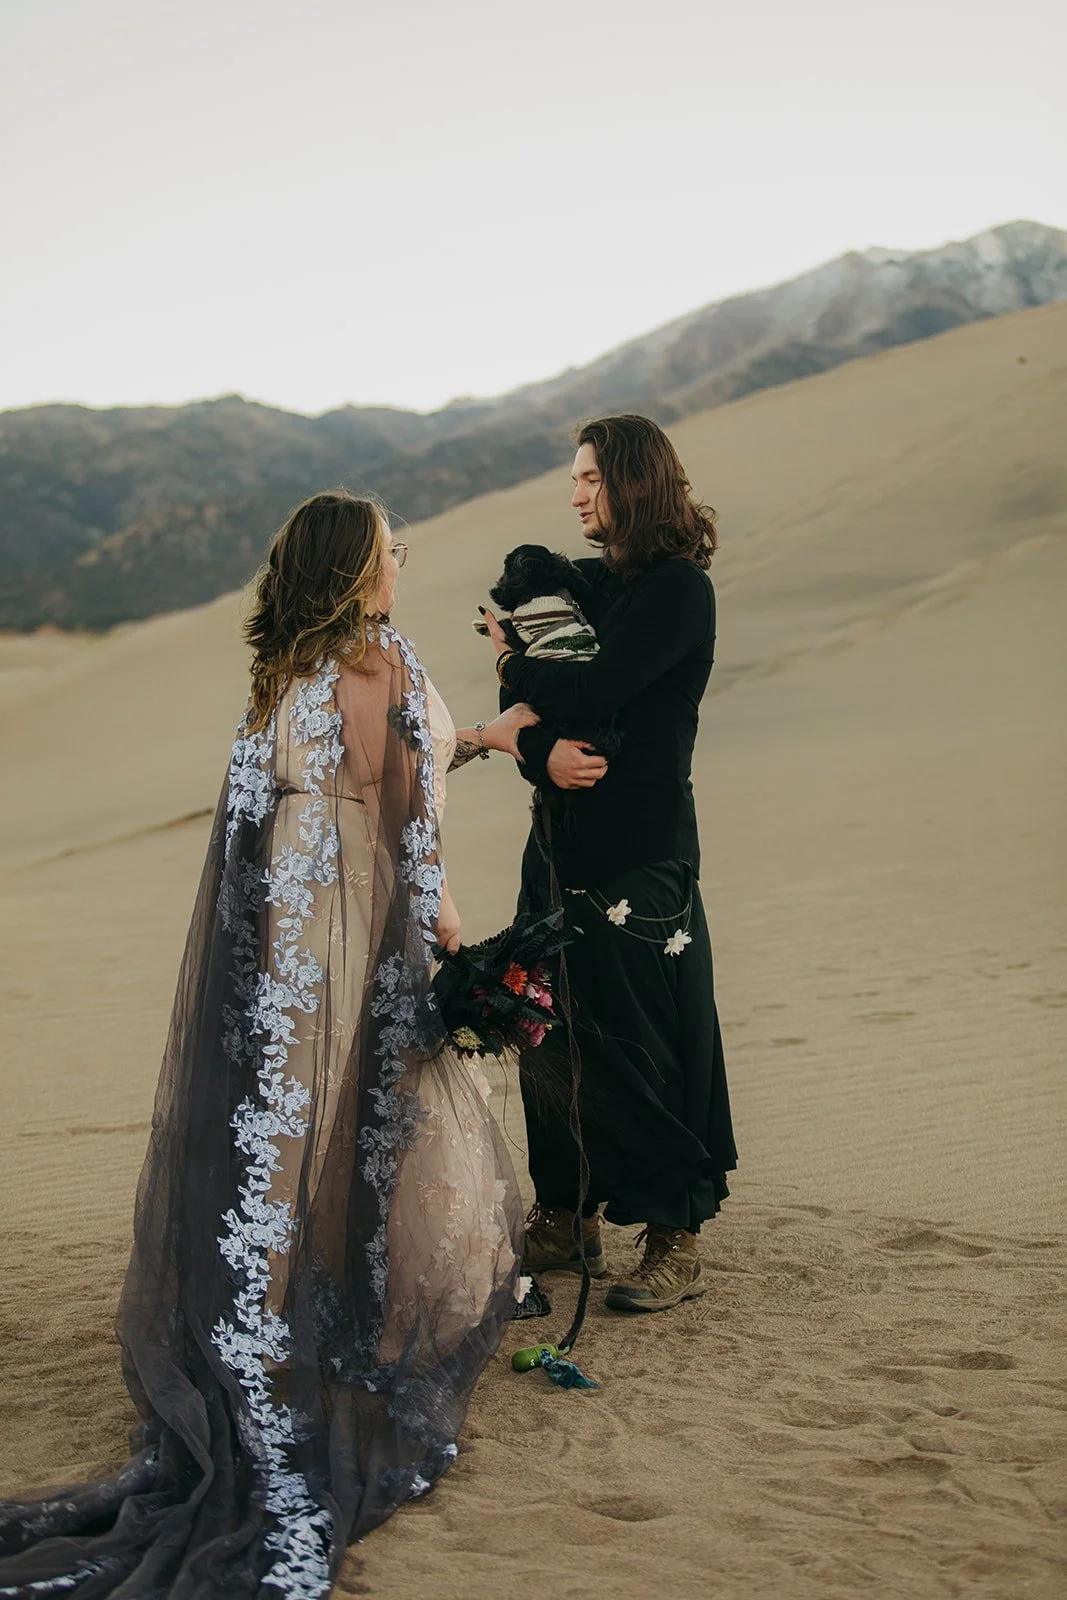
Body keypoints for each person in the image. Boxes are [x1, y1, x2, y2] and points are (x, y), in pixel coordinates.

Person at [0, 490, 539, 1600]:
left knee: (279, 1125)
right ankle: (333, 1318)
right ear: (356, 569)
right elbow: (409, 803)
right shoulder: (382, 657)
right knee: (364, 1109)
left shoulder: (281, 671)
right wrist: (437, 915)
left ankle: (258, 1314)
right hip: (349, 914)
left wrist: (472, 740)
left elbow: (301, 793)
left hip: (279, 930)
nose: (404, 561)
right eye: (392, 549)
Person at [484, 415, 738, 1314]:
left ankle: (675, 1234)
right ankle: (566, 1215)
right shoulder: (590, 584)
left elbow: (588, 687)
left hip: (640, 854)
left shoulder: (677, 592)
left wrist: (517, 661)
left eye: (590, 478)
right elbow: (524, 703)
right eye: (576, 478)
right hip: (555, 842)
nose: (576, 493)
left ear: (632, 484)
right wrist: (538, 749)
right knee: (542, 1024)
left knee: (641, 1041)